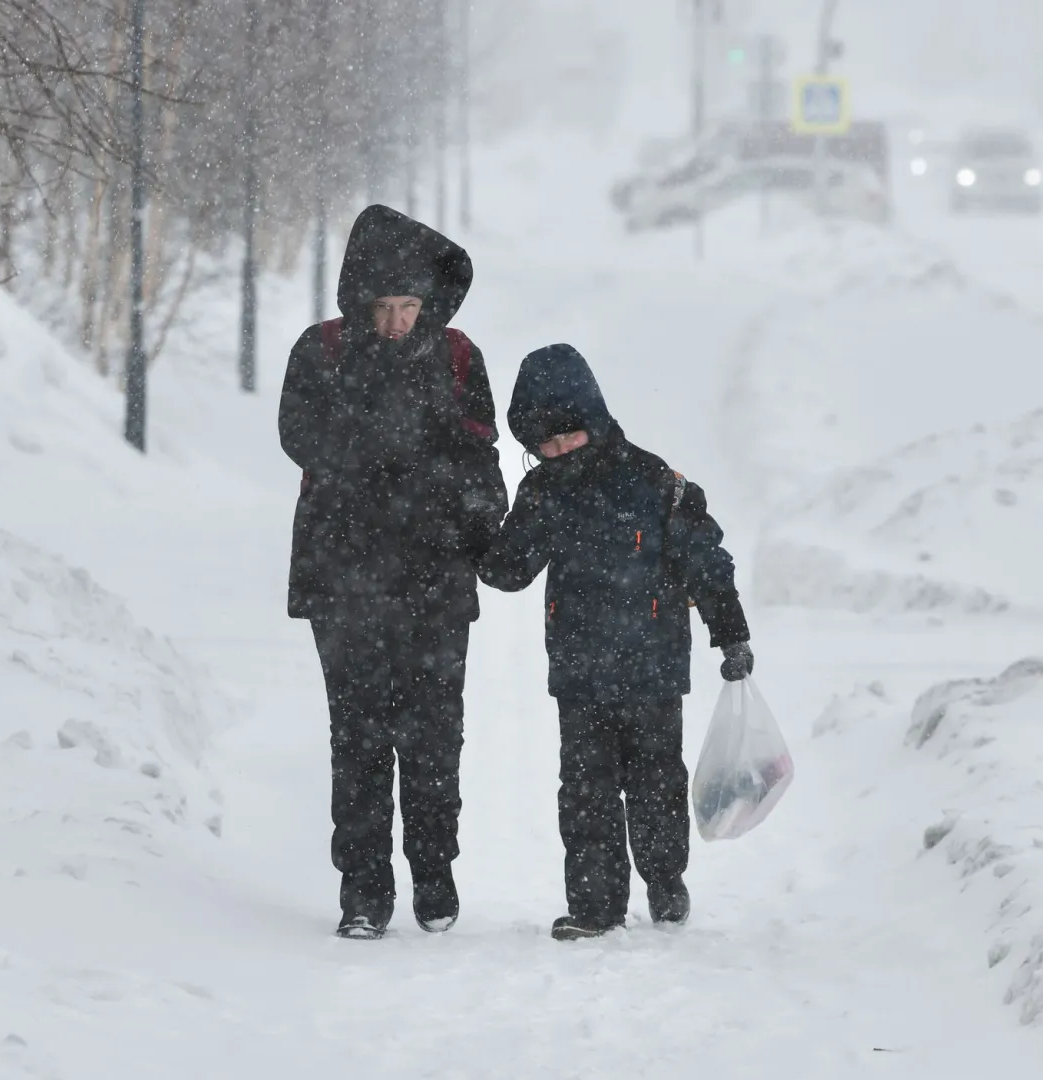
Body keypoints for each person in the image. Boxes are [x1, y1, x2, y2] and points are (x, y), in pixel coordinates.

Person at [278, 205, 506, 940]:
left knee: (436, 735)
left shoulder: (460, 356)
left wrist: (479, 517)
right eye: (387, 307)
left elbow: (482, 455)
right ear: (362, 300)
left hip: (435, 577)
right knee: (360, 735)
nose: (400, 321)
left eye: (412, 306)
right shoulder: (324, 351)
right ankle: (364, 889)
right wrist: (383, 441)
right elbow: (300, 437)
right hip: (345, 578)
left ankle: (435, 877)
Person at [478, 343, 754, 941]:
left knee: (656, 781)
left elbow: (706, 561)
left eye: (567, 437)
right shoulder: (544, 492)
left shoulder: (655, 482)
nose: (557, 452)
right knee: (585, 793)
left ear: (594, 420)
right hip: (579, 673)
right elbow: (507, 571)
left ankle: (665, 880)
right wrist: (482, 518)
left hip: (652, 667)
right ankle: (594, 906)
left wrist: (730, 633)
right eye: (543, 446)